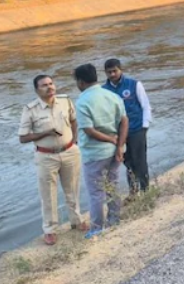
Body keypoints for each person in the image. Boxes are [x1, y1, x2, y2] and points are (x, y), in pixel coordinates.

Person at [18, 75, 88, 246]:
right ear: (36, 90)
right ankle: (50, 230)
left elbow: (73, 121)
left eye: (51, 84)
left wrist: (74, 140)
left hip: (70, 151)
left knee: (73, 188)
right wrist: (45, 133)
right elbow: (23, 137)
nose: (49, 87)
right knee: (48, 193)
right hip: (46, 156)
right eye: (44, 85)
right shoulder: (30, 109)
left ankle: (77, 220)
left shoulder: (65, 101)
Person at [74, 63, 128, 238]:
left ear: (80, 82)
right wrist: (119, 145)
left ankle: (97, 228)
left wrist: (110, 139)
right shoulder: (111, 95)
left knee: (96, 191)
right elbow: (124, 121)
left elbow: (89, 130)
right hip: (114, 151)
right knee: (112, 185)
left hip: (95, 153)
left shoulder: (82, 100)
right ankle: (115, 220)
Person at [103, 59, 152, 197]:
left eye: (115, 71)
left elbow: (145, 105)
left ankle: (146, 190)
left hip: (136, 129)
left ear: (120, 69)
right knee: (127, 161)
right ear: (105, 73)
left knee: (140, 161)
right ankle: (133, 191)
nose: (112, 74)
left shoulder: (134, 85)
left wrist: (145, 126)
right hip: (117, 134)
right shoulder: (104, 91)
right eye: (109, 72)